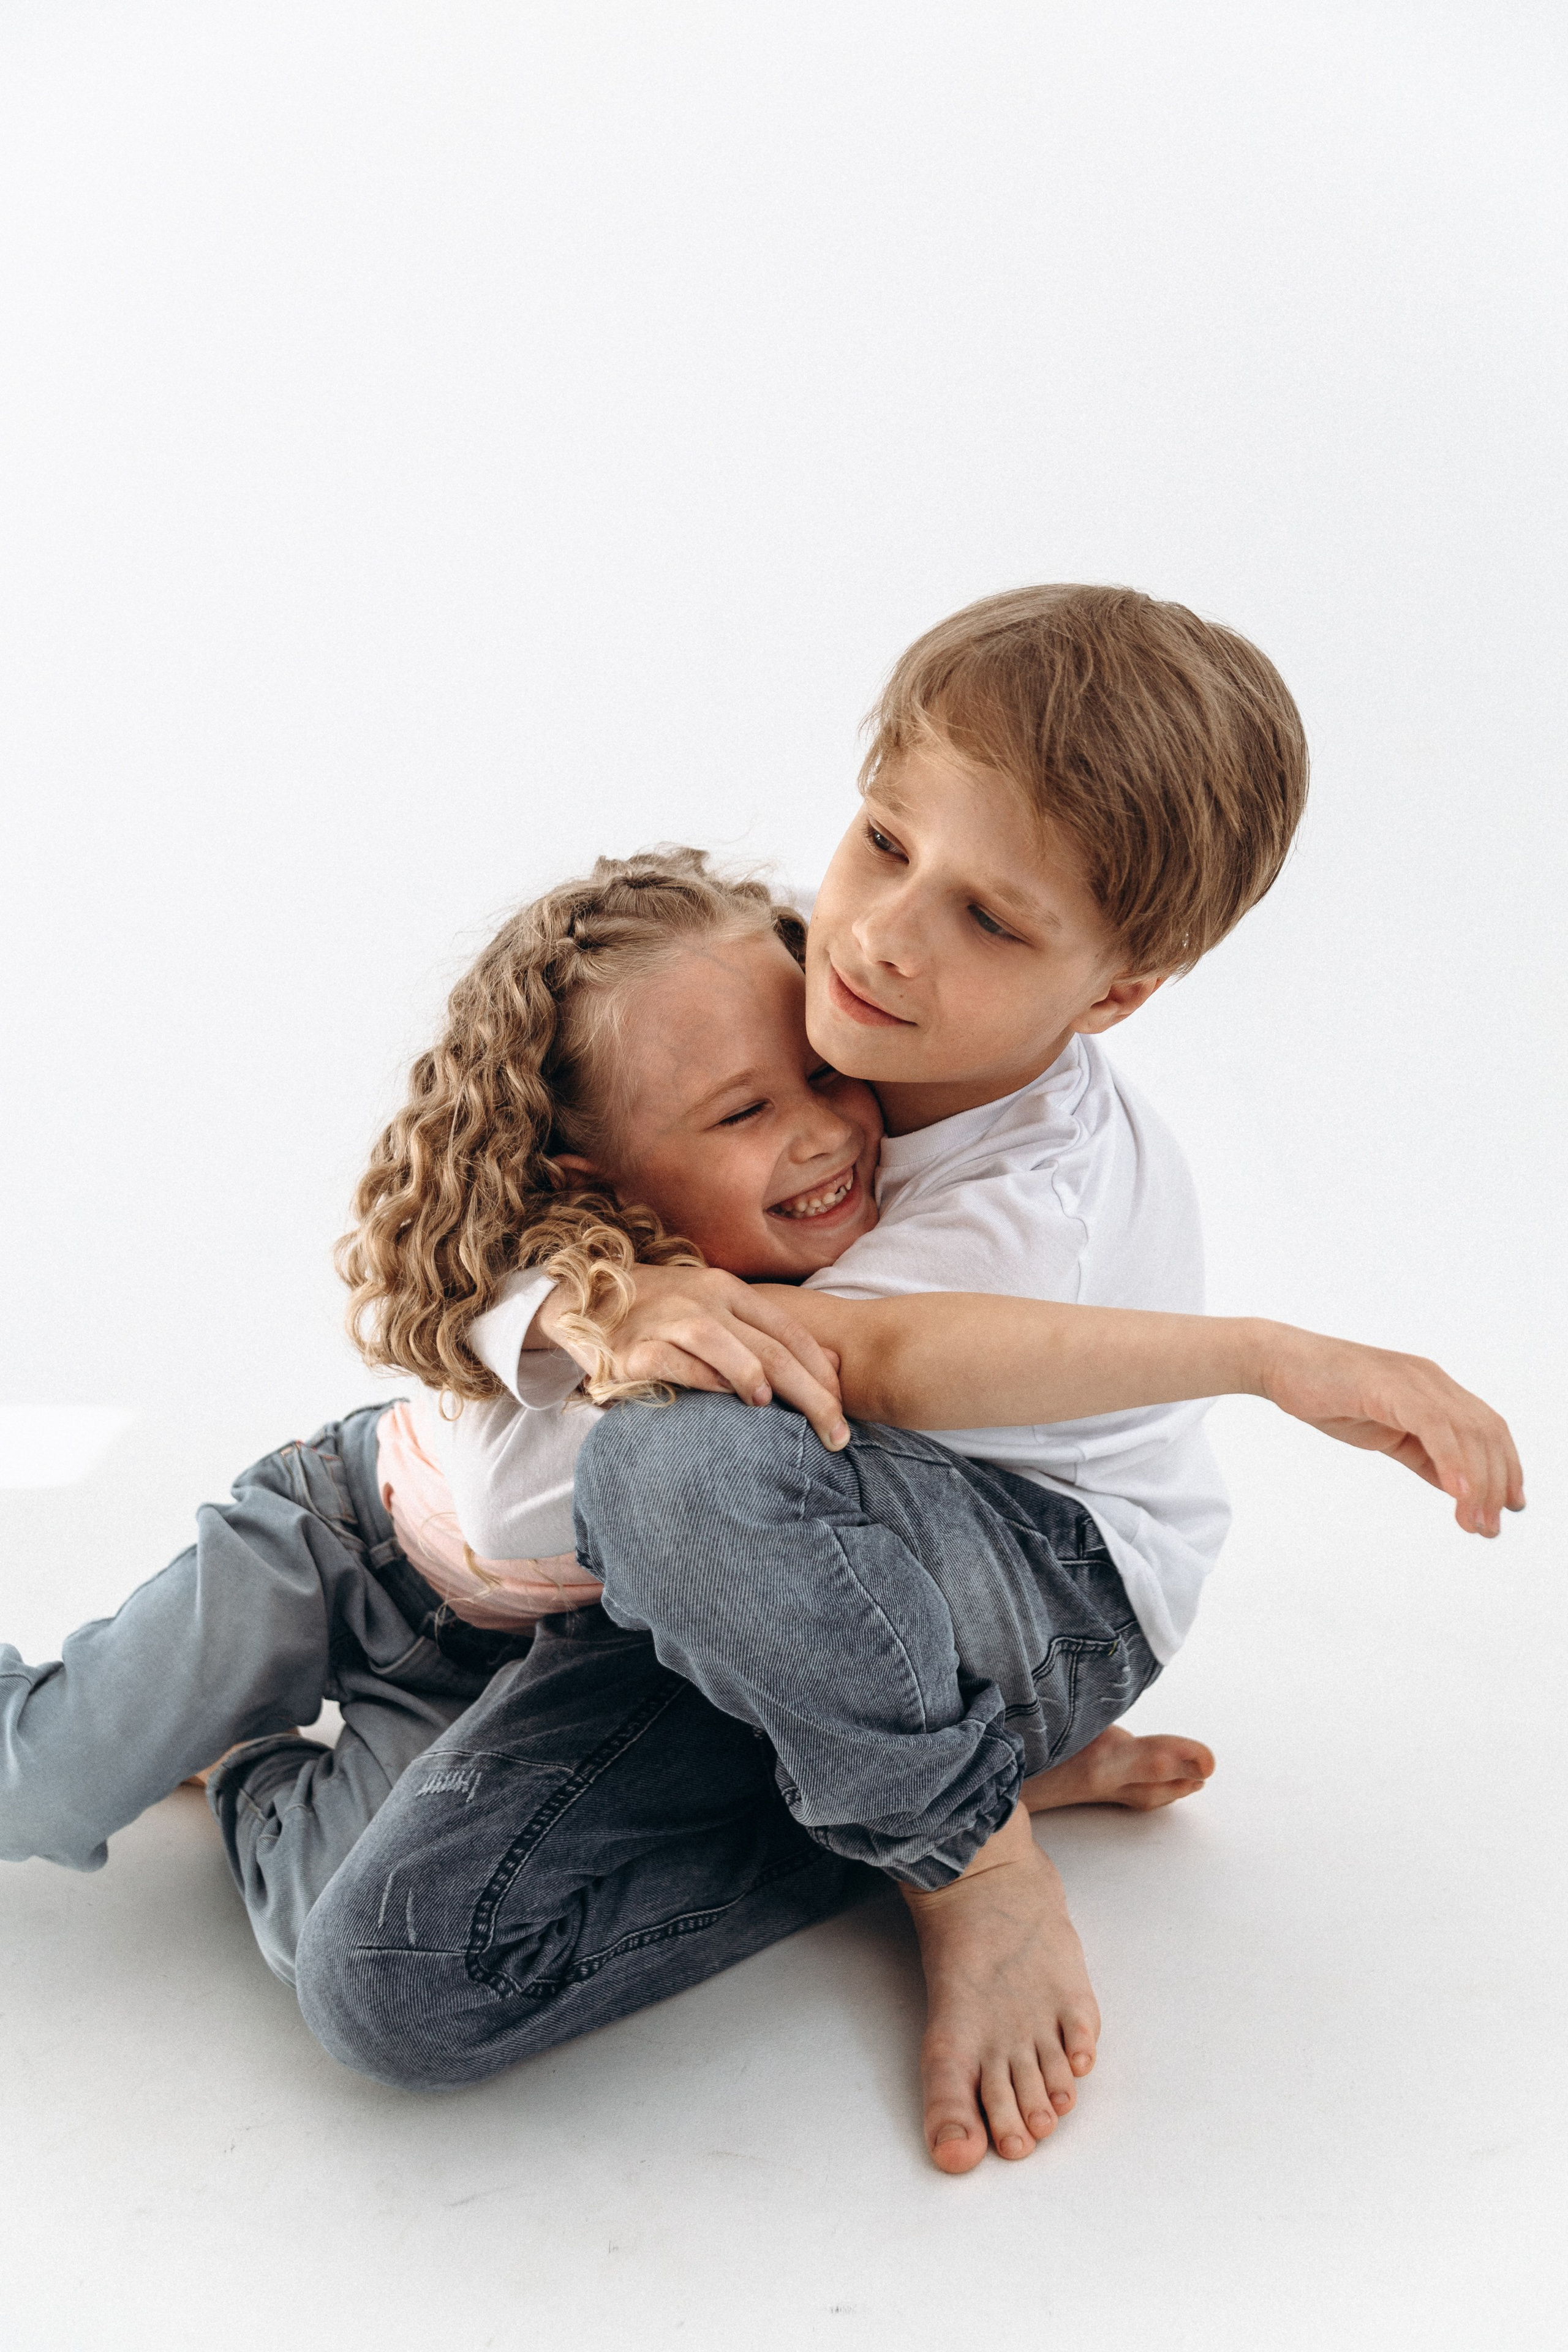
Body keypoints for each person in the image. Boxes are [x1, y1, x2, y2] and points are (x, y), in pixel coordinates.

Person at [290, 620, 1521, 2176]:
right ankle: (934, 1773)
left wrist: (1262, 1356)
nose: (879, 937)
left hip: (1039, 1592)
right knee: (389, 1982)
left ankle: (969, 1854)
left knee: (670, 1472)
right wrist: (581, 1299)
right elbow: (512, 1185)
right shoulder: (803, 996)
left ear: (1113, 994)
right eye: (883, 841)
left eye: (990, 920)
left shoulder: (1031, 1198)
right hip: (773, 1581)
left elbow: (589, 1472)